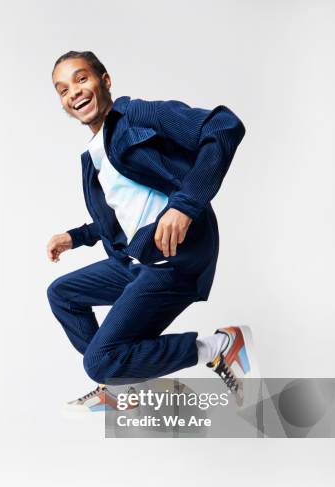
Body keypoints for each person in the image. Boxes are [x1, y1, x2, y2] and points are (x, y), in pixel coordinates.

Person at [46, 50, 257, 410]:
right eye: (63, 89)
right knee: (62, 294)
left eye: (81, 79)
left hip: (175, 259)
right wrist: (76, 237)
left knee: (97, 361)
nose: (74, 92)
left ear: (104, 80)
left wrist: (184, 205)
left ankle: (220, 346)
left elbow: (224, 126)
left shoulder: (136, 115)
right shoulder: (93, 156)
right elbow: (122, 218)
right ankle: (120, 380)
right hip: (137, 258)